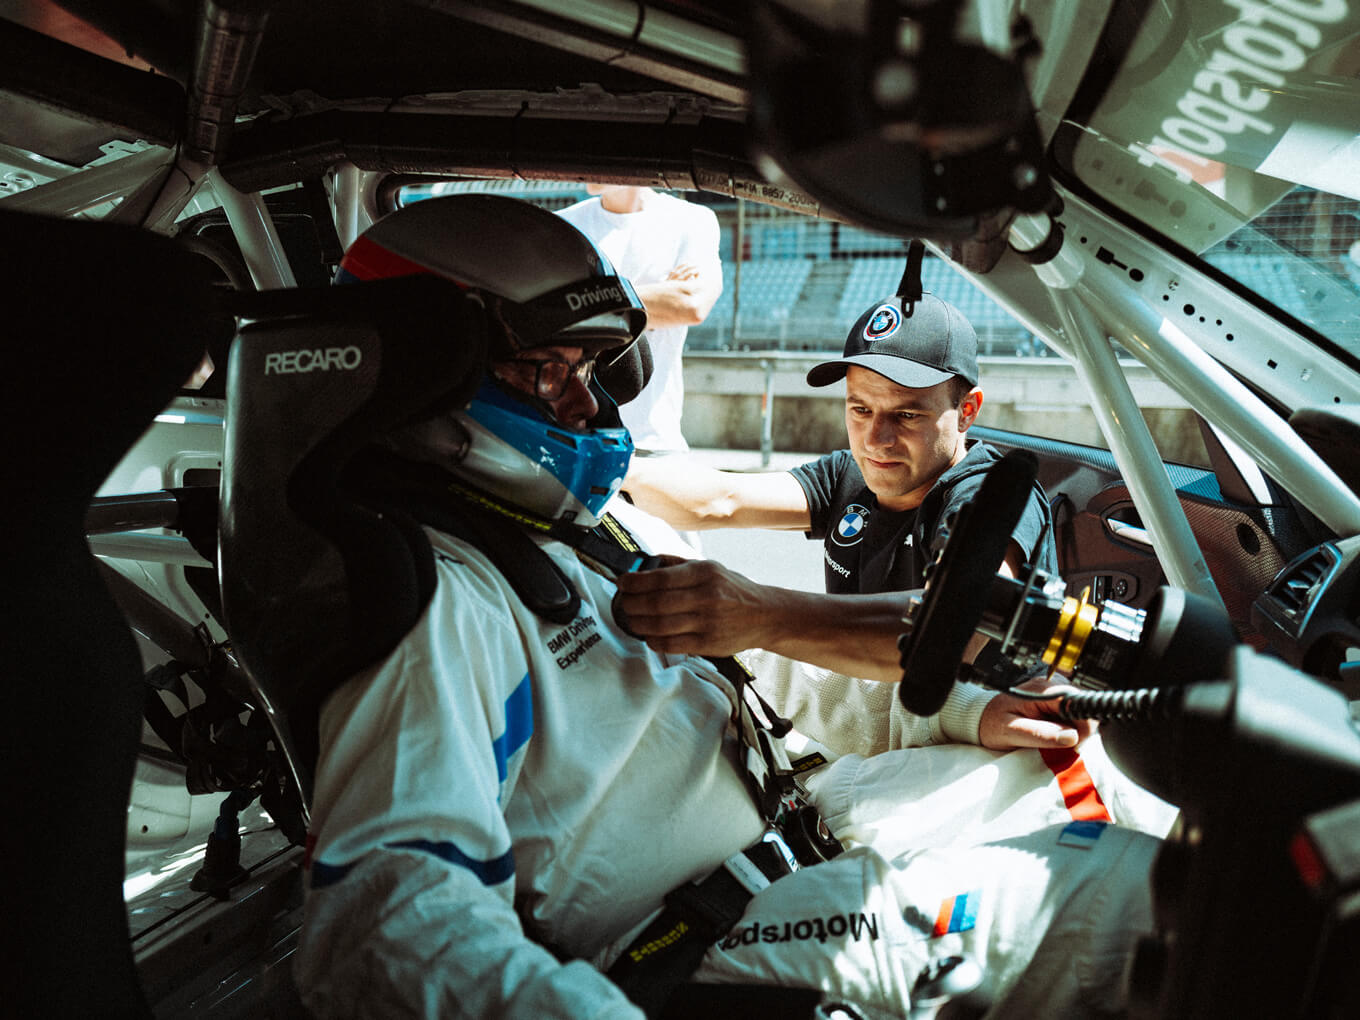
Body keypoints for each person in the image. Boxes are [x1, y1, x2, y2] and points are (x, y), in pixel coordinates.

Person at [291, 194, 1160, 1019]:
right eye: (545, 371)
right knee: (1132, 900)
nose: (589, 404)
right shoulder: (446, 600)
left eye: (590, 369)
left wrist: (967, 715)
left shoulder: (590, 528)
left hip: (811, 821)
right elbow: (384, 926)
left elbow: (747, 658)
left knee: (1108, 772)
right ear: (421, 379)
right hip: (701, 939)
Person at [557, 184, 722, 455]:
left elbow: (691, 304)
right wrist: (658, 299)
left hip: (655, 440)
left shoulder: (692, 219)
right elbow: (553, 312)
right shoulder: (564, 224)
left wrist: (588, 297)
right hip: (575, 434)